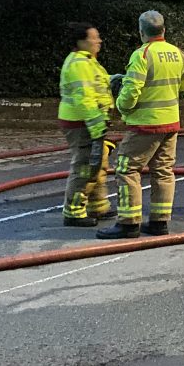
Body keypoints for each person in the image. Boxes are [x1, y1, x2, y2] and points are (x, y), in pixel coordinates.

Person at [97, 10, 184, 239]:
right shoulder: (177, 53)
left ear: (141, 32)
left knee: (127, 169)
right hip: (171, 123)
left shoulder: (142, 55)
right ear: (164, 30)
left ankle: (129, 223)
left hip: (144, 125)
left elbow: (130, 93)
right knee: (163, 171)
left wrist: (121, 105)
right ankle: (159, 222)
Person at [58, 22, 116, 227]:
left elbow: (97, 83)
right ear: (81, 41)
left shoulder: (86, 61)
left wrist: (114, 79)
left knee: (98, 163)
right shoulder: (79, 64)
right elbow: (85, 98)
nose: (98, 41)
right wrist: (97, 126)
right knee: (85, 167)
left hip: (88, 123)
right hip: (82, 124)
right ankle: (73, 211)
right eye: (94, 37)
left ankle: (98, 206)